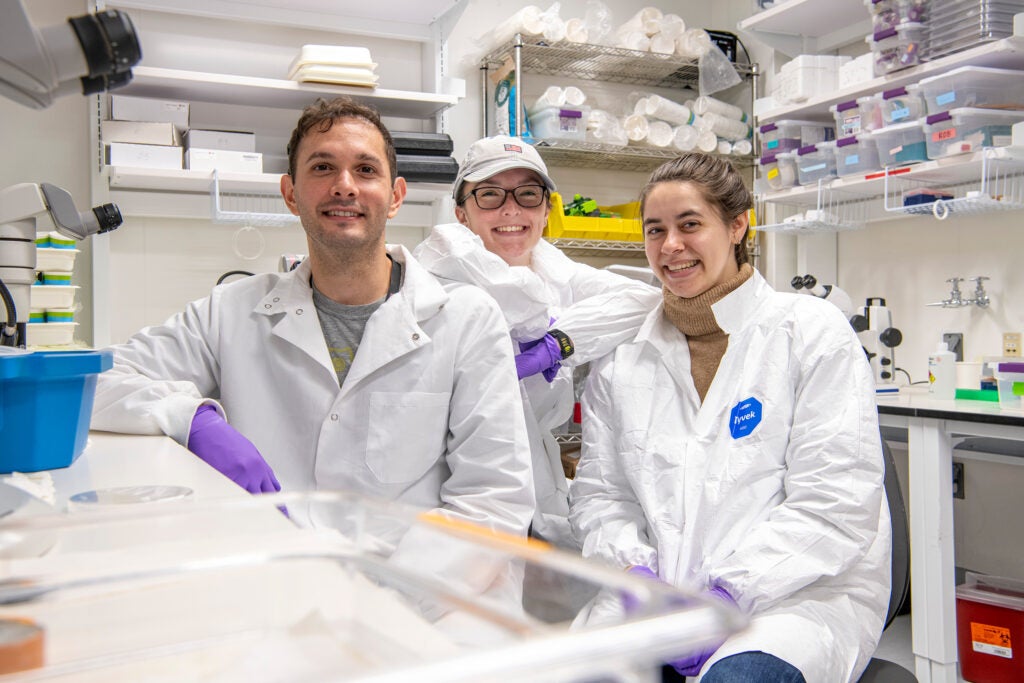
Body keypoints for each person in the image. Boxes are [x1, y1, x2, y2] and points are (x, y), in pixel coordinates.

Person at [90, 97, 534, 540]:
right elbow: (92, 385)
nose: (345, 186)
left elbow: (494, 500)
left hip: (412, 591)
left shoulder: (466, 319)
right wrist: (191, 418)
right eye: (322, 168)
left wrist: (395, 592)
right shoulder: (230, 311)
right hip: (274, 577)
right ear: (290, 194)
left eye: (365, 170)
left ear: (396, 196)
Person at [569, 153, 891, 682]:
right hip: (657, 598)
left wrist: (727, 594)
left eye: (690, 224)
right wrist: (637, 577)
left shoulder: (809, 332)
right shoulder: (623, 357)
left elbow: (835, 503)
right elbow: (601, 497)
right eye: (656, 230)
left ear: (738, 224)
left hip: (789, 599)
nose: (670, 246)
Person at [413, 135, 660, 548]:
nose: (511, 209)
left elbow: (648, 300)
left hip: (535, 476)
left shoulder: (559, 277)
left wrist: (558, 343)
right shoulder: (439, 275)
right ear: (462, 213)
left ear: (547, 210)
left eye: (528, 194)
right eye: (489, 195)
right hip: (447, 480)